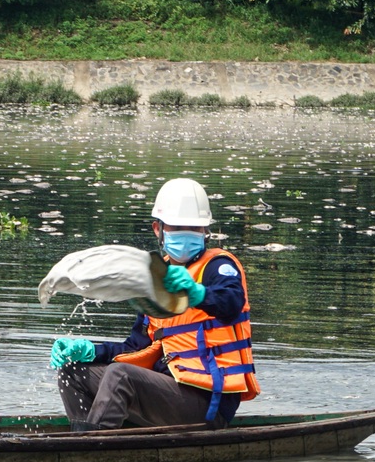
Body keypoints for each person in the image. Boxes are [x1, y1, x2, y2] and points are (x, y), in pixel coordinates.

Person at [50, 177, 258, 430]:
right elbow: (135, 347)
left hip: (207, 404)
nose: (186, 234)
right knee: (73, 371)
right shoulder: (157, 282)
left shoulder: (220, 267)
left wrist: (198, 293)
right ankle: (85, 437)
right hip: (165, 393)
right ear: (157, 229)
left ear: (206, 231)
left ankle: (91, 449)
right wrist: (90, 351)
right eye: (177, 227)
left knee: (121, 375)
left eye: (194, 228)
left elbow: (231, 302)